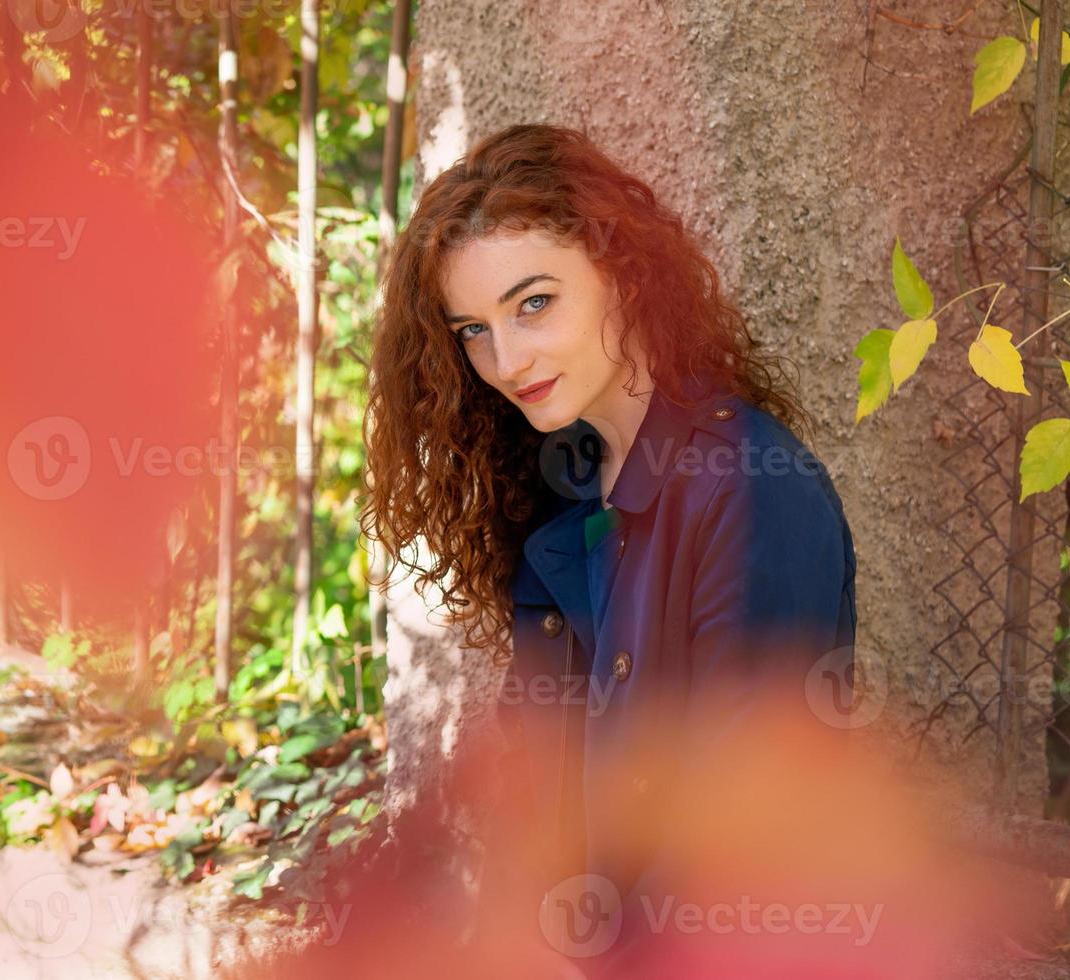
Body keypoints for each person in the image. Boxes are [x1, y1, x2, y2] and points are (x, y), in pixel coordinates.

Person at [360, 124, 859, 977]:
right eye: (473, 330)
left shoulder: (752, 490)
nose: (506, 359)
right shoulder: (565, 487)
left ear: (625, 274)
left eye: (534, 303)